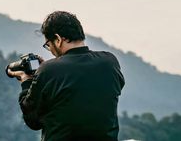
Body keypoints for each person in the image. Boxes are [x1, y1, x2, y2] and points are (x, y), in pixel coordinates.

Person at [7, 11, 125, 141]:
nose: (50, 50)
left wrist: (26, 81)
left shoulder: (48, 71)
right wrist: (52, 71)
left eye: (48, 45)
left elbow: (33, 121)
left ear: (58, 39)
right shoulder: (109, 62)